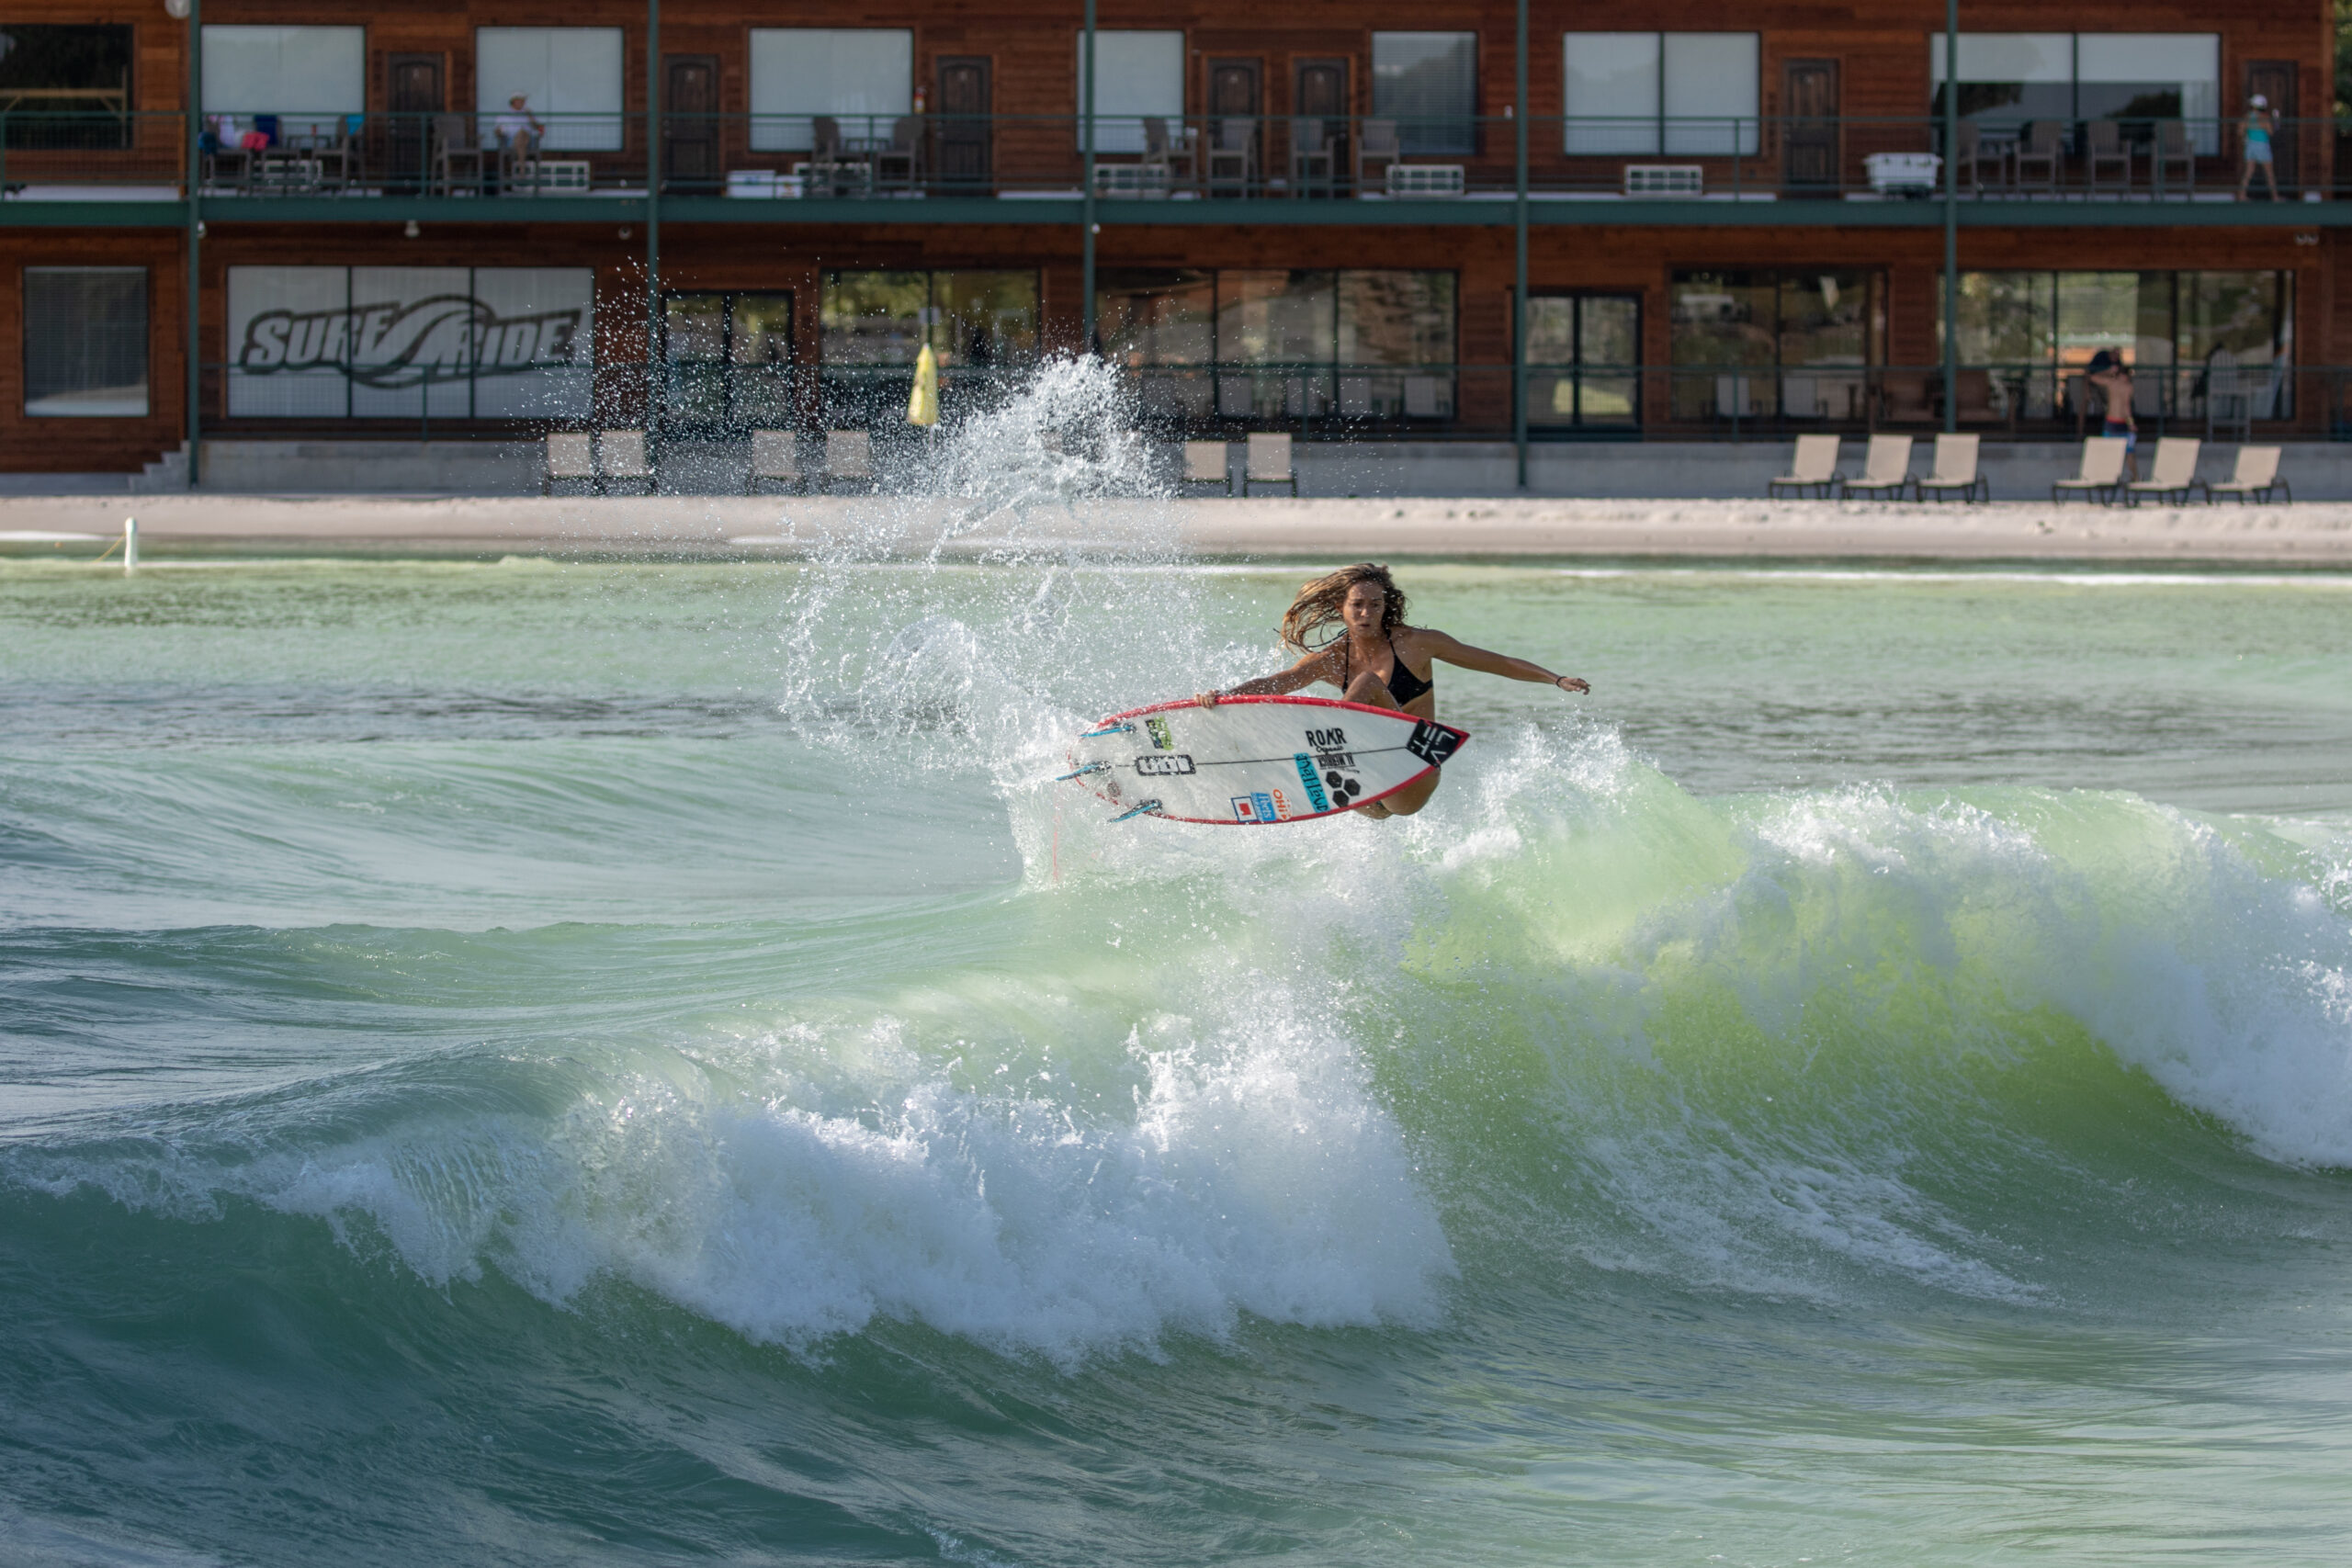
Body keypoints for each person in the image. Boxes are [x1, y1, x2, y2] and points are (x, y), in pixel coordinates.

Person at [1194, 562, 1589, 819]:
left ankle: (1323, 752)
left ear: (1387, 607)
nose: (1367, 613)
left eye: (1376, 605)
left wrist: (1554, 679)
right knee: (1293, 701)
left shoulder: (1416, 644)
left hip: (1411, 772)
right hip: (1366, 788)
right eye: (1358, 605)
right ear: (1341, 607)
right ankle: (1276, 768)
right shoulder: (1331, 660)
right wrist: (1223, 697)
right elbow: (1275, 684)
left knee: (1366, 684)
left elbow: (1493, 662)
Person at [2085, 349, 2137, 482]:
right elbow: (2092, 377)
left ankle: (2120, 477)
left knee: (2124, 453)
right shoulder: (2120, 385)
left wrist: (2107, 372)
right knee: (2123, 452)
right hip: (2116, 422)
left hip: (2115, 422)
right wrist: (2131, 424)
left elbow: (2093, 377)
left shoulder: (2115, 384)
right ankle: (2113, 477)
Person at [2238, 94, 2278, 202]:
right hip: (2262, 146)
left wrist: (2245, 136)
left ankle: (2242, 195)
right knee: (2269, 173)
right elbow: (2270, 131)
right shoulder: (2264, 118)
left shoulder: (2247, 117)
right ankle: (2275, 196)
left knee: (2248, 172)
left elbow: (2240, 131)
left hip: (2250, 145)